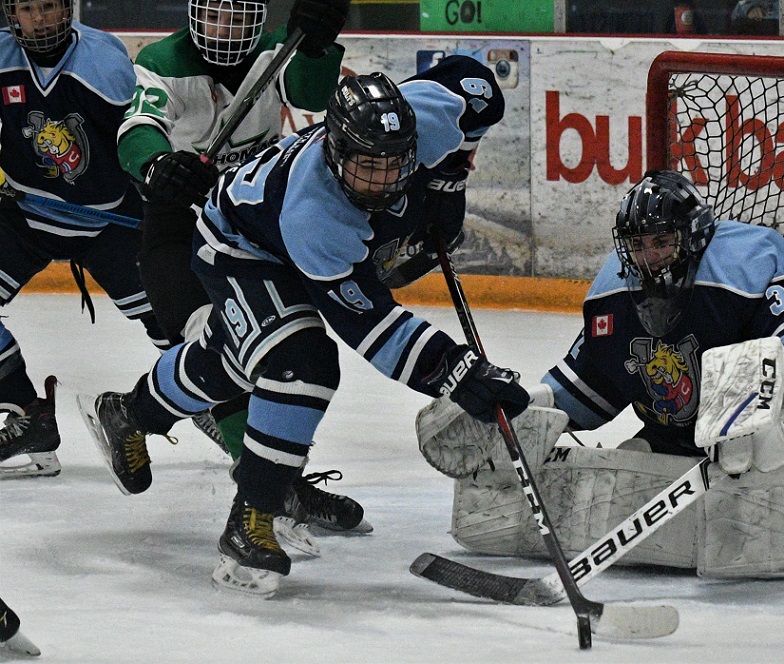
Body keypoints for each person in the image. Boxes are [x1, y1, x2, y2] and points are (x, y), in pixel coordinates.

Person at [80, 55, 530, 596]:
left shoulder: (425, 117)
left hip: (278, 233)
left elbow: (478, 89)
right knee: (301, 364)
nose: (384, 178)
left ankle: (128, 414)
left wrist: (449, 177)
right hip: (238, 247)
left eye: (395, 163)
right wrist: (454, 370)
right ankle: (251, 520)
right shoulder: (316, 217)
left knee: (224, 361)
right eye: (367, 164)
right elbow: (374, 328)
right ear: (336, 152)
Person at [115, 0, 360, 534]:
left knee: (284, 348)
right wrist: (158, 164)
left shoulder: (277, 48)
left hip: (247, 231)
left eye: (237, 16)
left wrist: (316, 44)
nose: (224, 29)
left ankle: (266, 476)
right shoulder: (163, 60)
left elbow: (311, 96)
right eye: (214, 15)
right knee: (223, 342)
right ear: (193, 13)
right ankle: (271, 485)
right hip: (178, 233)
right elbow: (137, 126)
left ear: (257, 19)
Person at [542, 169, 784, 461]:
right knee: (638, 457)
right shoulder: (613, 290)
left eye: (661, 242)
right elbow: (595, 379)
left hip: (778, 410)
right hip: (684, 430)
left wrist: (761, 415)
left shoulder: (748, 259)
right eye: (637, 244)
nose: (649, 259)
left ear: (692, 236)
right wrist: (539, 412)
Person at [0, 0, 168, 479]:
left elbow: (138, 139)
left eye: (49, 6)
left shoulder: (104, 61)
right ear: (12, 14)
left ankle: (204, 402)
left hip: (110, 220)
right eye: (28, 9)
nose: (40, 18)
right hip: (26, 214)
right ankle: (28, 416)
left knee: (176, 317)